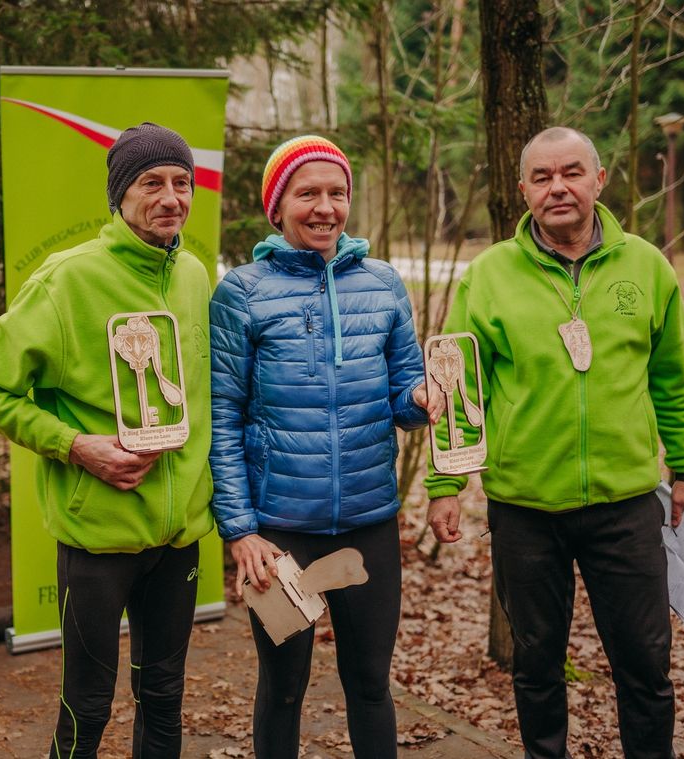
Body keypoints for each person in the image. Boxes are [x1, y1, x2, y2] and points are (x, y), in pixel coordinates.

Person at [424, 126, 684, 759]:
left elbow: (674, 379)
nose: (559, 188)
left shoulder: (647, 266)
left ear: (599, 180)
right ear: (523, 189)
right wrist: (445, 486)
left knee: (645, 668)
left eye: (572, 173)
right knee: (536, 669)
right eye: (543, 177)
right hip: (525, 509)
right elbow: (454, 386)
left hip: (627, 506)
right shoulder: (488, 277)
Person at [0, 122, 213, 759]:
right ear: (120, 195)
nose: (171, 197)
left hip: (180, 537)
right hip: (98, 534)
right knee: (88, 705)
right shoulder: (66, 279)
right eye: (152, 183)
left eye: (182, 183)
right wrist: (77, 446)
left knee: (164, 696)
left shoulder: (195, 277)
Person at [210, 135, 441, 759]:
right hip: (282, 534)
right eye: (307, 193)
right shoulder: (242, 292)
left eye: (336, 193)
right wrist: (239, 529)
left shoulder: (384, 284)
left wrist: (420, 402)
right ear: (276, 208)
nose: (324, 208)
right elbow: (222, 417)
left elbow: (401, 393)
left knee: (370, 685)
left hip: (369, 523)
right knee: (283, 689)